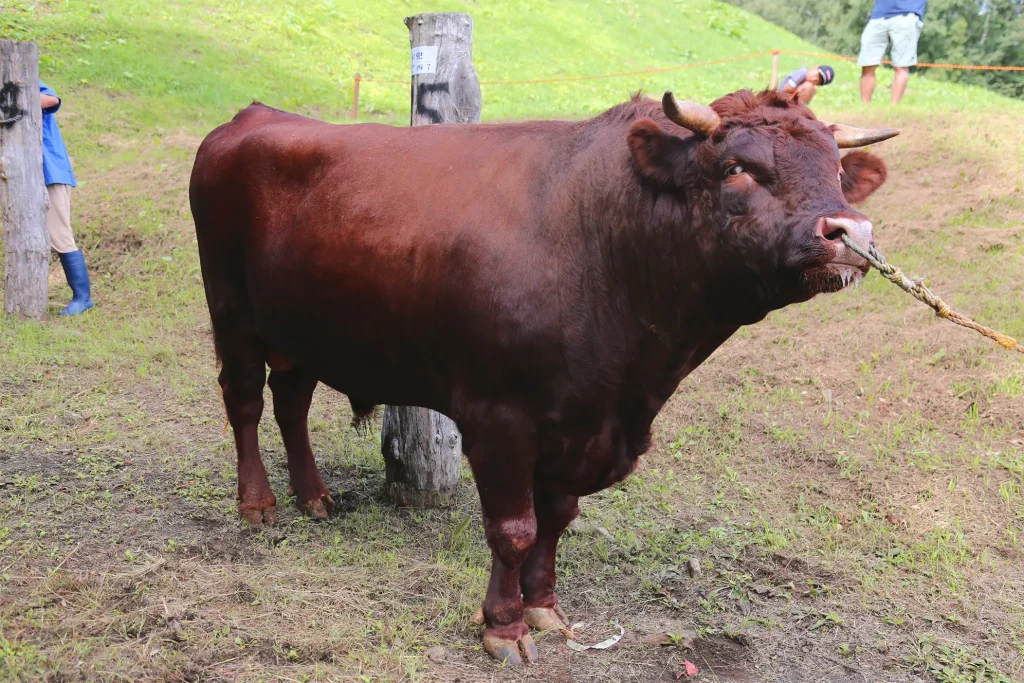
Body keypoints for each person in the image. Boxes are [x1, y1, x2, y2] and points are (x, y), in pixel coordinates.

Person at [40, 81, 93, 315]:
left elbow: (52, 100)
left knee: (59, 233)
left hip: (50, 171)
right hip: (20, 176)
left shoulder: (16, 78)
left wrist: (12, 99)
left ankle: (83, 298)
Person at [858, 0, 926, 104]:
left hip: (907, 14)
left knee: (901, 65)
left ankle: (893, 109)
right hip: (879, 15)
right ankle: (864, 107)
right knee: (868, 64)